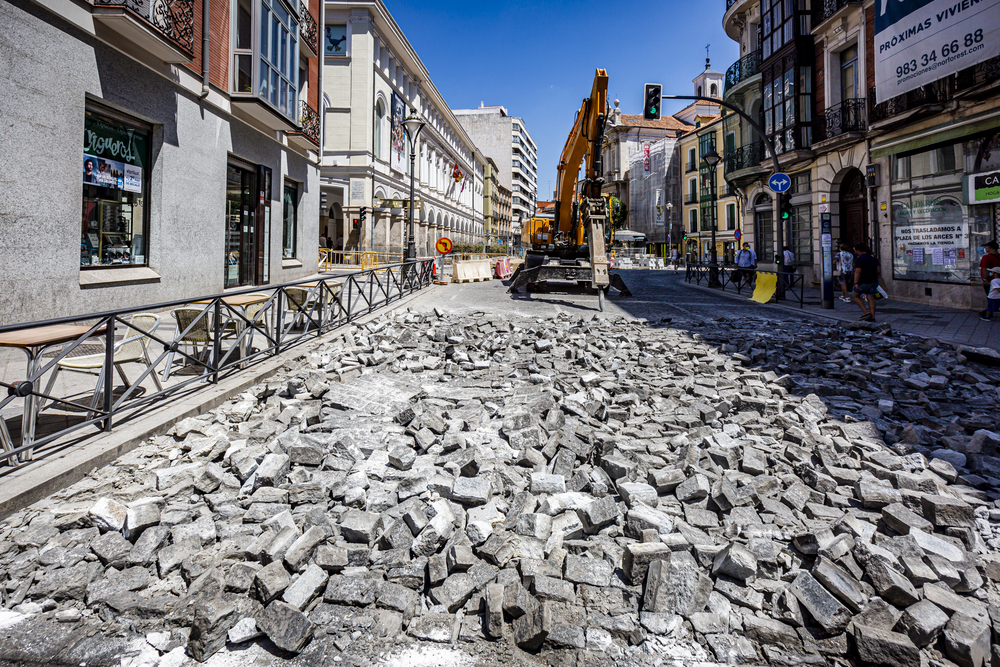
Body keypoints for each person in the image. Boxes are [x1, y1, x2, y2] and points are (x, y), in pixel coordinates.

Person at [851, 242, 881, 322]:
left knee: (855, 295)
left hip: (863, 282)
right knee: (870, 297)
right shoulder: (874, 258)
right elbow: (878, 271)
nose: (855, 252)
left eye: (855, 250)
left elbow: (858, 271)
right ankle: (872, 316)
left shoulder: (859, 259)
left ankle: (866, 313)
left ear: (858, 250)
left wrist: (856, 282)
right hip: (873, 281)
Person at [980, 241, 1000, 317]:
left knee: (991, 297)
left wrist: (985, 280)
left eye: (986, 247)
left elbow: (985, 269)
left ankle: (988, 313)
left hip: (991, 281)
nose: (985, 249)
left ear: (988, 248)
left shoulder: (987, 257)